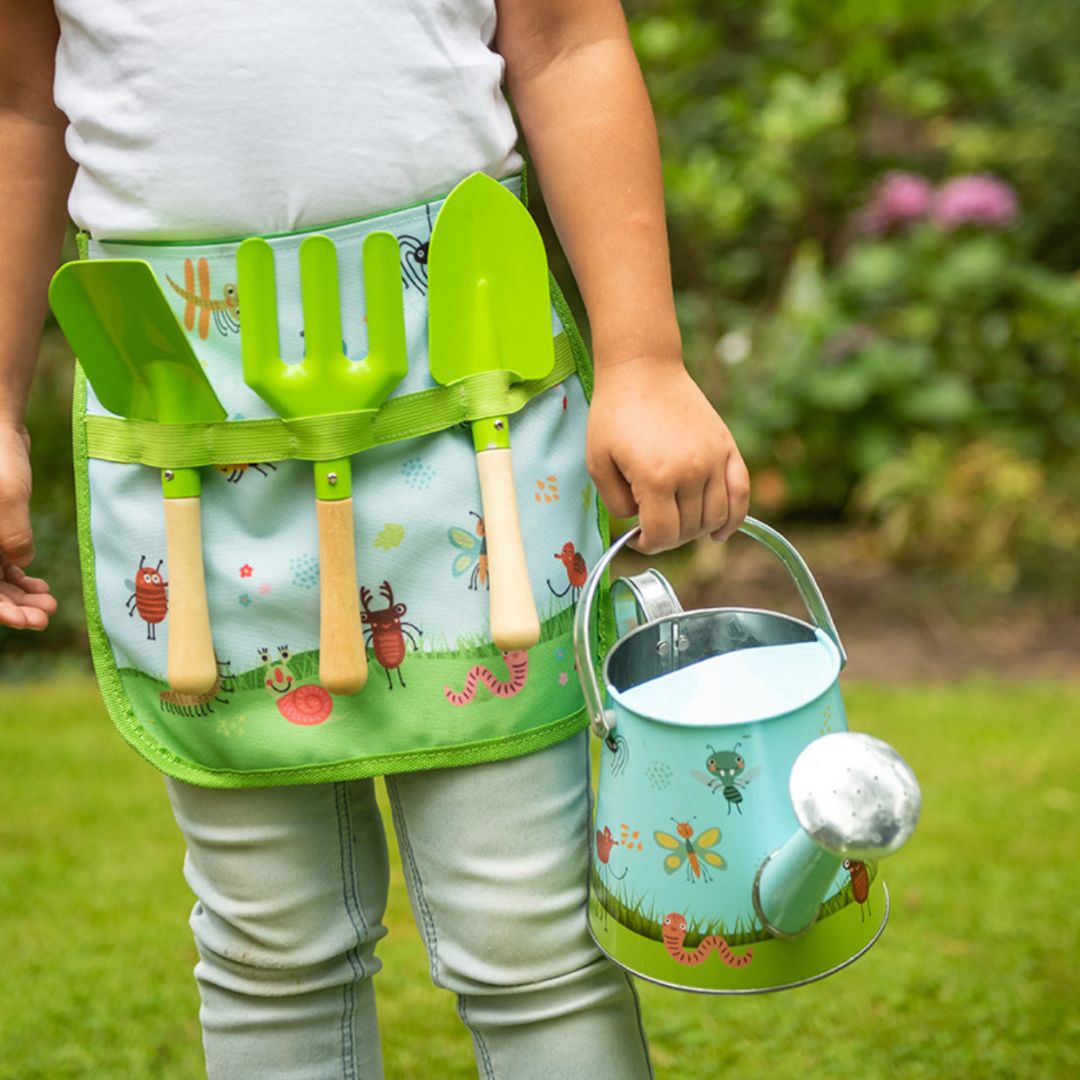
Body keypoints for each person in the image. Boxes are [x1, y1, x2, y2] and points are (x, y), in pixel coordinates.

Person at [0, 1, 750, 1077]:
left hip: (463, 378)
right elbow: (22, 105)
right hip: (186, 408)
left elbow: (567, 41)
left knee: (530, 933)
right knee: (268, 945)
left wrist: (644, 362)